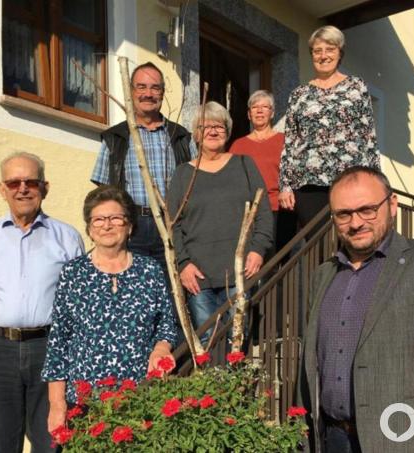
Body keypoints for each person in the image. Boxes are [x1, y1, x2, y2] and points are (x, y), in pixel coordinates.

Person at [298, 166, 414, 452]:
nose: (356, 222)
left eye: (367, 209)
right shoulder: (323, 276)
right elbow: (311, 366)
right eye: (344, 214)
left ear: (392, 205)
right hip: (333, 440)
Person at [0, 151, 85, 453]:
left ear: (45, 187)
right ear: (2, 189)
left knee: (51, 443)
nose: (22, 188)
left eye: (31, 182)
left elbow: (79, 309)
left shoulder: (67, 238)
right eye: (14, 182)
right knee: (1, 446)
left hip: (49, 349)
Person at [42, 185, 177, 433]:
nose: (107, 225)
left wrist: (160, 347)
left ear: (130, 226)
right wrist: (57, 404)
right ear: (89, 230)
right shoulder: (73, 273)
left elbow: (167, 324)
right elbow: (58, 341)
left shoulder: (150, 271)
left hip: (140, 397)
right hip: (84, 401)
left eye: (116, 218)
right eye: (99, 220)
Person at [166, 101, 274, 344]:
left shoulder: (245, 165)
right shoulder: (183, 174)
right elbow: (173, 225)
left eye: (220, 126)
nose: (213, 132)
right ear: (196, 134)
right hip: (198, 276)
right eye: (205, 127)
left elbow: (263, 213)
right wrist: (183, 264)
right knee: (207, 343)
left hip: (239, 271)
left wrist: (257, 250)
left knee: (237, 340)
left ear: (228, 131)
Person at [90, 61, 198, 267]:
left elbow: (196, 185)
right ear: (131, 92)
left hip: (172, 225)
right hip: (132, 226)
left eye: (155, 88)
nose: (148, 93)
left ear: (163, 93)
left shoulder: (181, 136)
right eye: (142, 87)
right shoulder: (116, 137)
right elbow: (103, 193)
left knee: (171, 290)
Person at [279, 25, 380, 237]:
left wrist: (376, 181)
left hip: (349, 177)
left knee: (351, 239)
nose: (323, 55)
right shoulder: (299, 94)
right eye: (317, 51)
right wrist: (285, 185)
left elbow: (369, 136)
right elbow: (290, 142)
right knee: (319, 245)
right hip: (308, 182)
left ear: (339, 53)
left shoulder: (356, 87)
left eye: (330, 49)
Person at [229, 89, 297, 254]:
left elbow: (296, 172)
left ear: (272, 113)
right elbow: (231, 180)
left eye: (265, 107)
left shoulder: (285, 141)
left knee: (281, 259)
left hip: (280, 209)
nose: (259, 111)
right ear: (248, 114)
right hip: (250, 213)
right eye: (254, 107)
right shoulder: (238, 146)